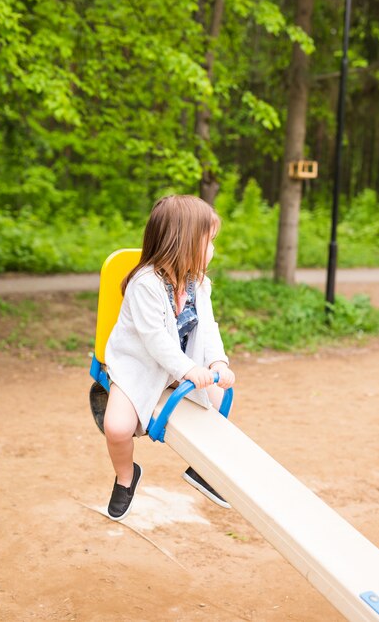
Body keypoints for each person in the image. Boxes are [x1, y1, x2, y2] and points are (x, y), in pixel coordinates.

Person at [103, 194, 235, 520]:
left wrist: (218, 363)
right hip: (141, 364)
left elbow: (208, 328)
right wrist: (189, 370)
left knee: (219, 403)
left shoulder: (197, 283)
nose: (214, 250)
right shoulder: (144, 284)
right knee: (117, 428)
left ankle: (204, 469)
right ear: (185, 243)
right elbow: (155, 341)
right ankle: (125, 476)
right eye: (210, 242)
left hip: (180, 364)